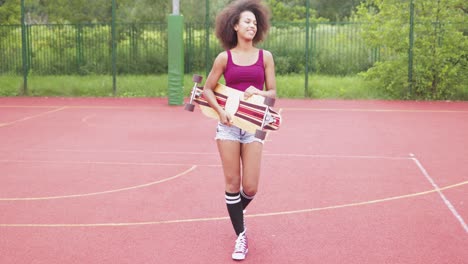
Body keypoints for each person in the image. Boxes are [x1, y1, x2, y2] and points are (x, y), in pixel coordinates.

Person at [202, 0, 276, 261]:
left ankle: (235, 213)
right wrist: (220, 112)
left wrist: (260, 92)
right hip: (228, 126)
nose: (251, 26)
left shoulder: (265, 57)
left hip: (255, 125)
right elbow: (207, 89)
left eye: (255, 22)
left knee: (251, 187)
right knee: (232, 183)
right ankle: (241, 236)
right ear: (234, 25)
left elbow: (273, 93)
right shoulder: (224, 58)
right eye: (246, 21)